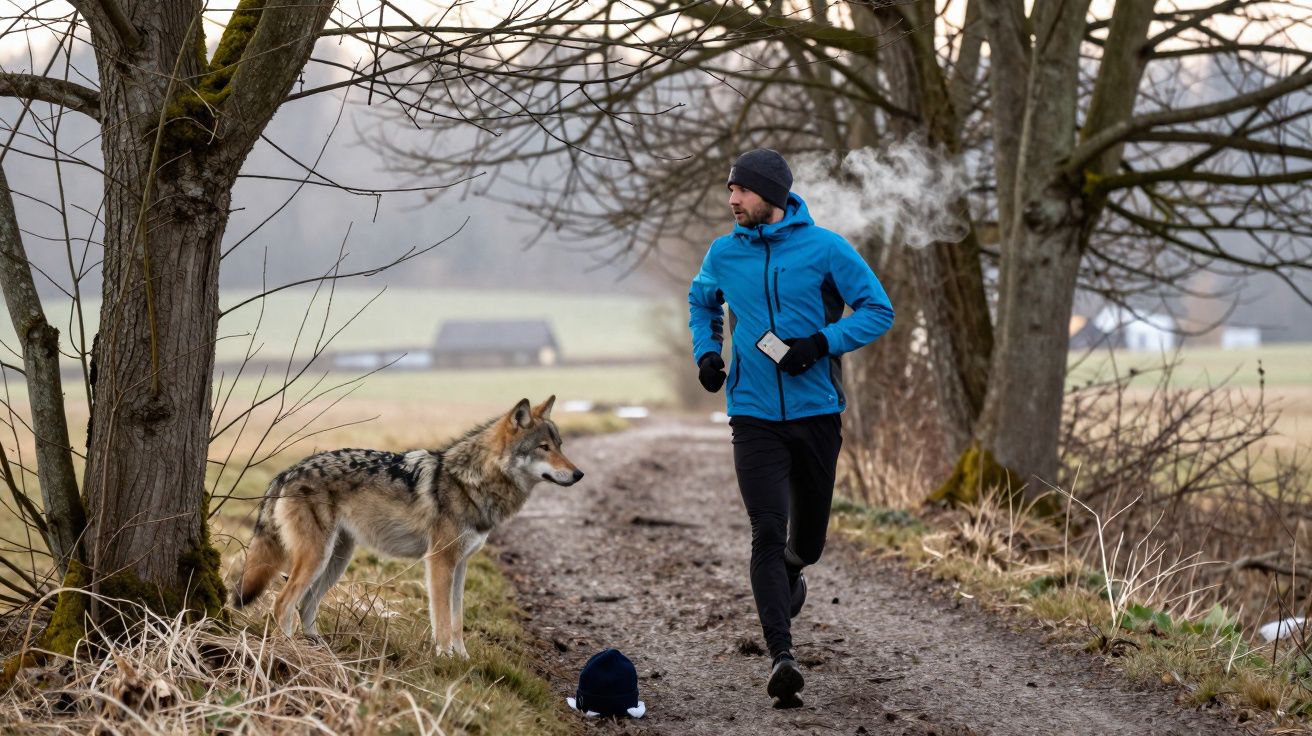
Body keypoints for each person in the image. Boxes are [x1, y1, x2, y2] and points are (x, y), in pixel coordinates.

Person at [687, 148, 894, 706]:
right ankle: (782, 656)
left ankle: (794, 571)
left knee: (807, 543)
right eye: (730, 190)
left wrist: (821, 343)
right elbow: (700, 300)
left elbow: (879, 309)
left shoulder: (826, 249)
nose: (732, 200)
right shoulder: (724, 254)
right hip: (752, 415)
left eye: (742, 191)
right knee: (765, 531)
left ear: (771, 197)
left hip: (816, 414)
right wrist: (708, 353)